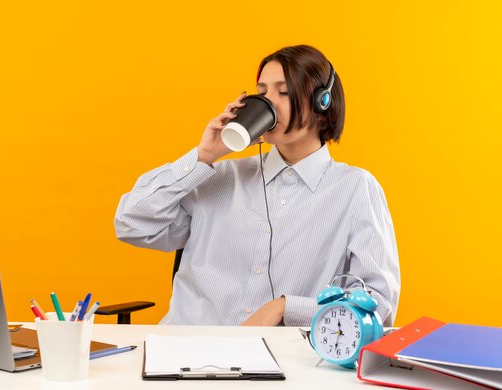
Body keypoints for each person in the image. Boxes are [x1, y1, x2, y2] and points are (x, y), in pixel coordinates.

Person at [115, 45, 400, 327]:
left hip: (282, 362)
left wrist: (287, 308)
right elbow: (131, 223)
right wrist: (204, 156)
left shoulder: (355, 189)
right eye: (262, 93)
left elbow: (379, 305)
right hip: (187, 353)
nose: (268, 103)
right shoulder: (216, 175)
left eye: (284, 92)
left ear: (321, 104)